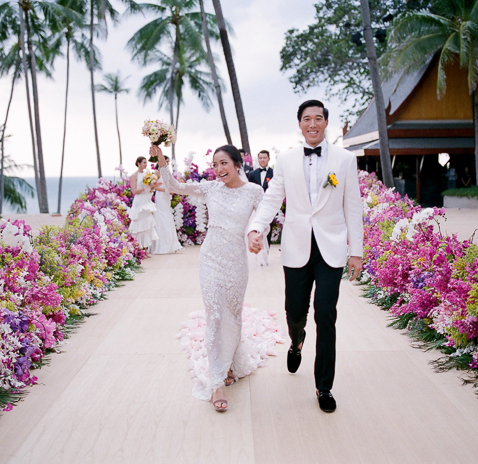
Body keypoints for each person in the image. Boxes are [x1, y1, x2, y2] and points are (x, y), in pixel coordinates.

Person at [247, 99, 363, 413]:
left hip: (332, 248)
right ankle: (296, 340)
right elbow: (272, 198)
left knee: (325, 313)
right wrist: (257, 227)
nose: (312, 124)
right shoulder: (285, 160)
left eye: (318, 119)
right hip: (297, 246)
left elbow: (352, 206)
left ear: (326, 122)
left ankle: (323, 386)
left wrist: (357, 252)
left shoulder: (344, 159)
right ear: (299, 124)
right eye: (306, 119)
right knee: (295, 311)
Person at [153, 143, 267, 412]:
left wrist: (257, 237)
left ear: (237, 164)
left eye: (224, 163)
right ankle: (217, 381)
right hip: (210, 260)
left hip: (237, 262)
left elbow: (262, 220)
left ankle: (228, 362)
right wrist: (160, 159)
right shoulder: (210, 188)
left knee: (232, 316)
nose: (218, 169)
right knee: (214, 315)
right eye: (215, 164)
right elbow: (172, 185)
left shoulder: (254, 191)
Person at [151, 156, 183, 255]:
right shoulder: (157, 172)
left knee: (168, 217)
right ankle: (162, 245)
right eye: (166, 161)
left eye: (168, 161)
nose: (167, 163)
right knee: (162, 217)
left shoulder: (166, 172)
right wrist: (164, 190)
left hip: (166, 197)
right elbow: (152, 186)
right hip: (161, 196)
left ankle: (172, 244)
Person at [128, 156, 159, 250]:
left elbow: (150, 187)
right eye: (144, 162)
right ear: (138, 164)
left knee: (147, 224)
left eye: (146, 162)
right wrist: (144, 189)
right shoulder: (134, 176)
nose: (146, 164)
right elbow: (134, 191)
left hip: (146, 199)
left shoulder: (148, 174)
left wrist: (151, 187)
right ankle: (139, 249)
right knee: (139, 224)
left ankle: (145, 249)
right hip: (139, 201)